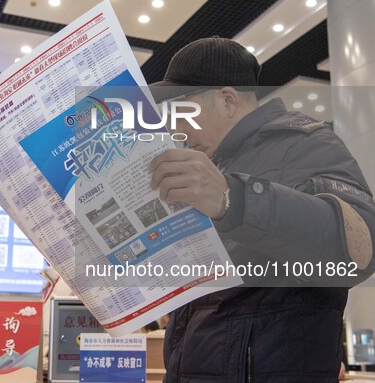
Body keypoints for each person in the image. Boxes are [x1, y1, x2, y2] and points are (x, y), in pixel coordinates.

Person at [148, 37, 375, 381]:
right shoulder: (208, 167)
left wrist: (233, 200)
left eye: (183, 111)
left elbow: (360, 249)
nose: (174, 127)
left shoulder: (305, 143)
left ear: (227, 100)